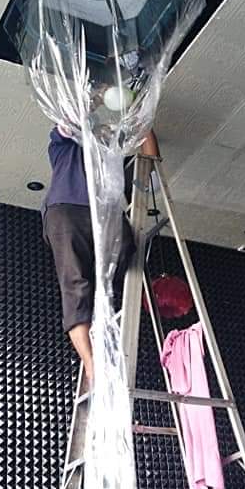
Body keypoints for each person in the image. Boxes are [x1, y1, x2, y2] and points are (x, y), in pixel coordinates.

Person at [43, 124, 160, 386]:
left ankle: (103, 318)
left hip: (107, 216)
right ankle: (91, 363)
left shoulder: (113, 164)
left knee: (126, 246)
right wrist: (96, 104)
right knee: (76, 284)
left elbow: (149, 170)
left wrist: (145, 124)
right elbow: (69, 121)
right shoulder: (64, 146)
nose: (105, 131)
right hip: (68, 211)